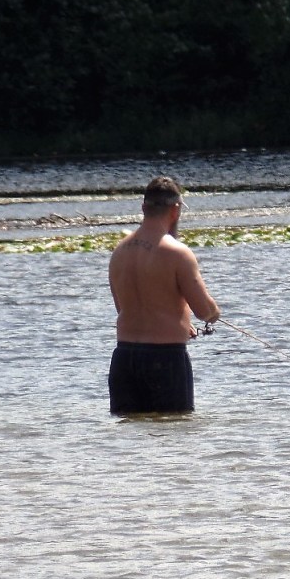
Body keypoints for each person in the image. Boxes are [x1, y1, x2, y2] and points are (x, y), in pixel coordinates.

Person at [107, 176, 220, 416]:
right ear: (176, 209)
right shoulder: (178, 252)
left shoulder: (119, 252)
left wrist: (178, 320)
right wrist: (214, 313)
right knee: (173, 441)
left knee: (130, 440)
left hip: (124, 359)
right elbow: (204, 311)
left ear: (143, 208)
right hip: (165, 360)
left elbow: (124, 308)